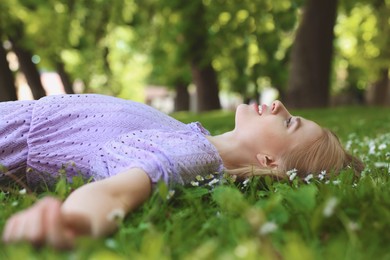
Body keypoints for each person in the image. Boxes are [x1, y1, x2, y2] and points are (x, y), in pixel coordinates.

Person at [0, 94, 363, 249]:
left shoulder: (192, 155)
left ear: (269, 161)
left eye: (289, 124)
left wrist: (74, 222)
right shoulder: (190, 135)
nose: (281, 106)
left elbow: (118, 191)